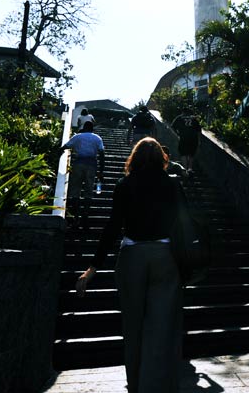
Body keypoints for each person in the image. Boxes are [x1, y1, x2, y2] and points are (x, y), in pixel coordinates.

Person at [76, 138, 182, 393]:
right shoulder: (172, 184)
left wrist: (92, 268)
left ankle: (135, 386)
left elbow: (113, 227)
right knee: (161, 328)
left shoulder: (124, 185)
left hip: (132, 256)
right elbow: (185, 222)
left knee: (132, 328)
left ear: (134, 158)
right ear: (162, 158)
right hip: (165, 257)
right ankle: (156, 386)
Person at [61, 121, 105, 227]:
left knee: (76, 189)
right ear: (92, 129)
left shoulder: (78, 137)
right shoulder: (97, 138)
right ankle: (85, 215)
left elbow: (65, 146)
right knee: (88, 190)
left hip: (79, 163)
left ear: (84, 128)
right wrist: (101, 170)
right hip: (92, 164)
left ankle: (76, 216)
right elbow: (102, 153)